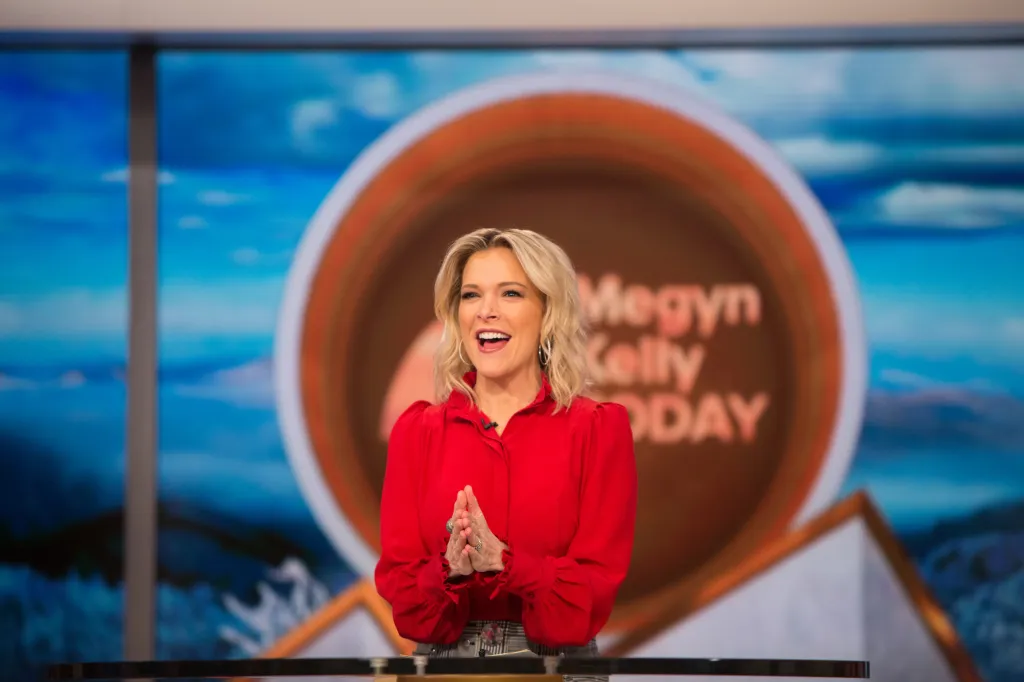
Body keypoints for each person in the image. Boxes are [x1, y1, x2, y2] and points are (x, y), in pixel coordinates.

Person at [374, 227, 638, 669]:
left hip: (558, 667)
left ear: (547, 312)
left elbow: (592, 592)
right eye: (472, 296)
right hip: (444, 668)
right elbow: (404, 597)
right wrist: (450, 569)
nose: (486, 312)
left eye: (511, 294)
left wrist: (507, 564)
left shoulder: (596, 428)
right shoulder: (417, 431)